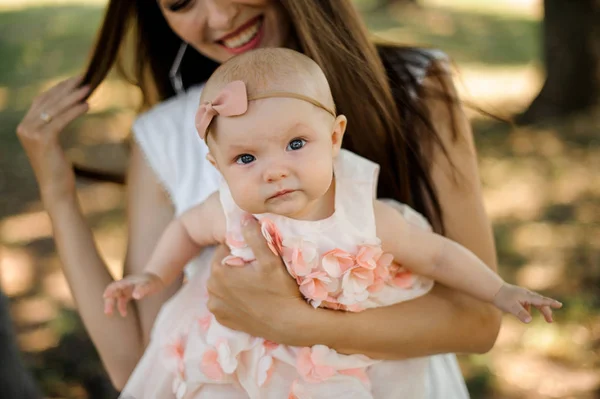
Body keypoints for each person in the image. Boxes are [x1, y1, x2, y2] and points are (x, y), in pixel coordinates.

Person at [15, 1, 512, 397]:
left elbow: (478, 322)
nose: (220, 16)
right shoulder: (165, 135)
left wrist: (292, 323)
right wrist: (58, 194)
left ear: (334, 136)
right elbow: (134, 365)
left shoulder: (414, 87)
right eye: (182, 2)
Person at [103, 49, 560, 399]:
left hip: (347, 358)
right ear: (217, 166)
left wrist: (499, 290)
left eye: (296, 144)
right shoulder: (229, 210)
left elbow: (437, 253)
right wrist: (155, 273)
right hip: (252, 358)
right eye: (246, 158)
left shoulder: (362, 212)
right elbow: (185, 229)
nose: (275, 170)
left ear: (335, 137)